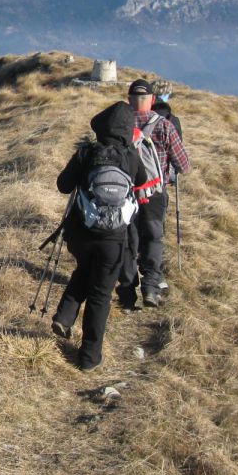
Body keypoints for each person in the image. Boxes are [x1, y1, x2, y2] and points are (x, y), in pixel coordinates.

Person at [51, 101, 147, 371]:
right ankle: (89, 357)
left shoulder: (87, 153)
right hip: (114, 239)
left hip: (82, 233)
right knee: (100, 296)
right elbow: (141, 181)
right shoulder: (130, 157)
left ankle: (65, 315)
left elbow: (62, 185)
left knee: (84, 268)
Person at [126, 78, 190, 307]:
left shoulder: (120, 124)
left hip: (126, 194)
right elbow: (183, 165)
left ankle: (127, 286)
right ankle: (151, 287)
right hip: (154, 192)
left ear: (128, 100)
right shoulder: (164, 125)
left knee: (129, 237)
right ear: (152, 100)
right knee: (153, 236)